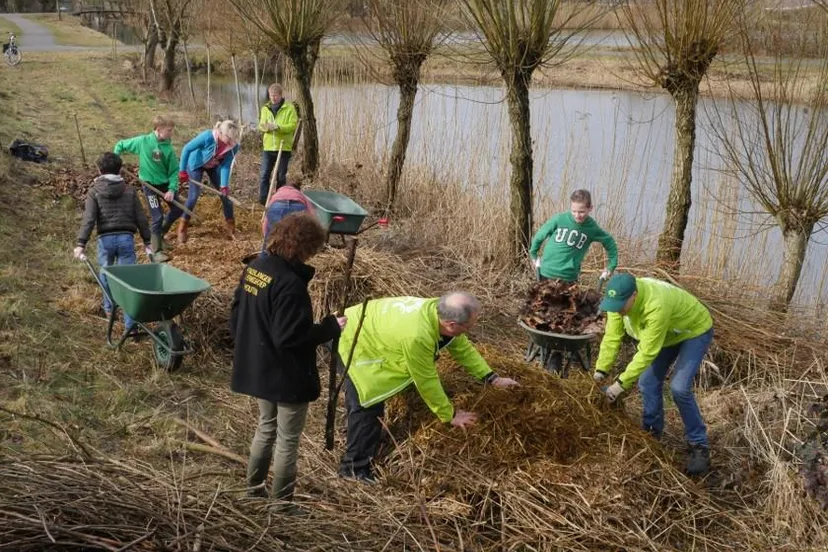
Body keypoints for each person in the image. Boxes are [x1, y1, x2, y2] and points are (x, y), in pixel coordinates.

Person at [230, 213, 346, 511]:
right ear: (305, 247)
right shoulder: (290, 285)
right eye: (314, 248)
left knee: (265, 427)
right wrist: (330, 328)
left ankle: (253, 490)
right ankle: (281, 504)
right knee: (287, 440)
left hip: (259, 366)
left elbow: (236, 312)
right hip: (284, 374)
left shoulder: (256, 267)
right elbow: (291, 337)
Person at [337, 293, 520, 483]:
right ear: (452, 324)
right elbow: (426, 380)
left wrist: (492, 378)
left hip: (371, 329)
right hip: (349, 337)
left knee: (367, 398)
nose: (470, 329)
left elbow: (462, 348)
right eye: (469, 326)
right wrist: (449, 414)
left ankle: (357, 432)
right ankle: (353, 469)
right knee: (368, 402)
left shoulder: (437, 312)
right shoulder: (417, 335)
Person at [594, 273, 714, 476]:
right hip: (666, 336)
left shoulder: (655, 305)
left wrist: (618, 385)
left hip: (693, 330)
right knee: (647, 382)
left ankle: (699, 446)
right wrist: (600, 371)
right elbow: (612, 337)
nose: (618, 311)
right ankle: (651, 434)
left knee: (679, 388)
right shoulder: (617, 303)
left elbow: (647, 352)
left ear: (634, 295)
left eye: (622, 306)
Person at [528, 189, 618, 372]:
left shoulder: (591, 228)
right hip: (546, 273)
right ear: (570, 208)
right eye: (575, 211)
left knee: (565, 315)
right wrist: (533, 254)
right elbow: (540, 235)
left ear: (590, 208)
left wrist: (610, 267)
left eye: (582, 211)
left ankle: (557, 350)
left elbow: (610, 244)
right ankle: (549, 345)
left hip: (569, 279)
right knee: (544, 313)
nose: (578, 215)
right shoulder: (559, 219)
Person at [74, 152, 152, 330]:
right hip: (126, 238)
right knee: (128, 280)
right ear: (120, 170)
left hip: (105, 240)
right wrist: (148, 241)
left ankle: (109, 310)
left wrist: (81, 243)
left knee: (106, 274)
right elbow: (141, 218)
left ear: (99, 170)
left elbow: (89, 219)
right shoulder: (130, 191)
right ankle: (130, 324)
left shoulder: (94, 192)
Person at [113, 114, 181, 262]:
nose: (171, 133)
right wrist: (115, 162)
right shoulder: (143, 142)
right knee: (157, 216)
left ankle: (159, 235)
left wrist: (171, 189)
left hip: (164, 185)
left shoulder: (168, 149)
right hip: (149, 186)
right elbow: (120, 145)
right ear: (158, 129)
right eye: (169, 130)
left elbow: (174, 171)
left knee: (178, 208)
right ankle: (156, 251)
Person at [177, 120, 241, 243]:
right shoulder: (207, 136)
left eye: (233, 138)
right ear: (221, 133)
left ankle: (231, 229)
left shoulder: (234, 146)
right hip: (196, 164)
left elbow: (226, 166)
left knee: (225, 196)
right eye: (228, 137)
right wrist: (182, 171)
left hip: (213, 165)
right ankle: (182, 228)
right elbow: (187, 149)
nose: (231, 141)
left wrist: (224, 185)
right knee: (193, 196)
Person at [258, 83, 299, 205]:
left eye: (275, 96)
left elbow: (292, 126)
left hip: (284, 147)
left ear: (281, 95)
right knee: (264, 174)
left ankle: (279, 199)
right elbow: (261, 125)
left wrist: (278, 127)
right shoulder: (265, 108)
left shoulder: (289, 108)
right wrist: (266, 127)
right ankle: (263, 200)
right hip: (269, 147)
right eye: (271, 96)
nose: (273, 98)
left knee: (281, 176)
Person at [261, 177, 316, 243]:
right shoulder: (300, 194)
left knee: (272, 236)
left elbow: (267, 216)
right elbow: (312, 213)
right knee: (297, 236)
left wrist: (266, 236)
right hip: (297, 206)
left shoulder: (277, 193)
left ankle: (267, 252)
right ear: (298, 188)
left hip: (278, 205)